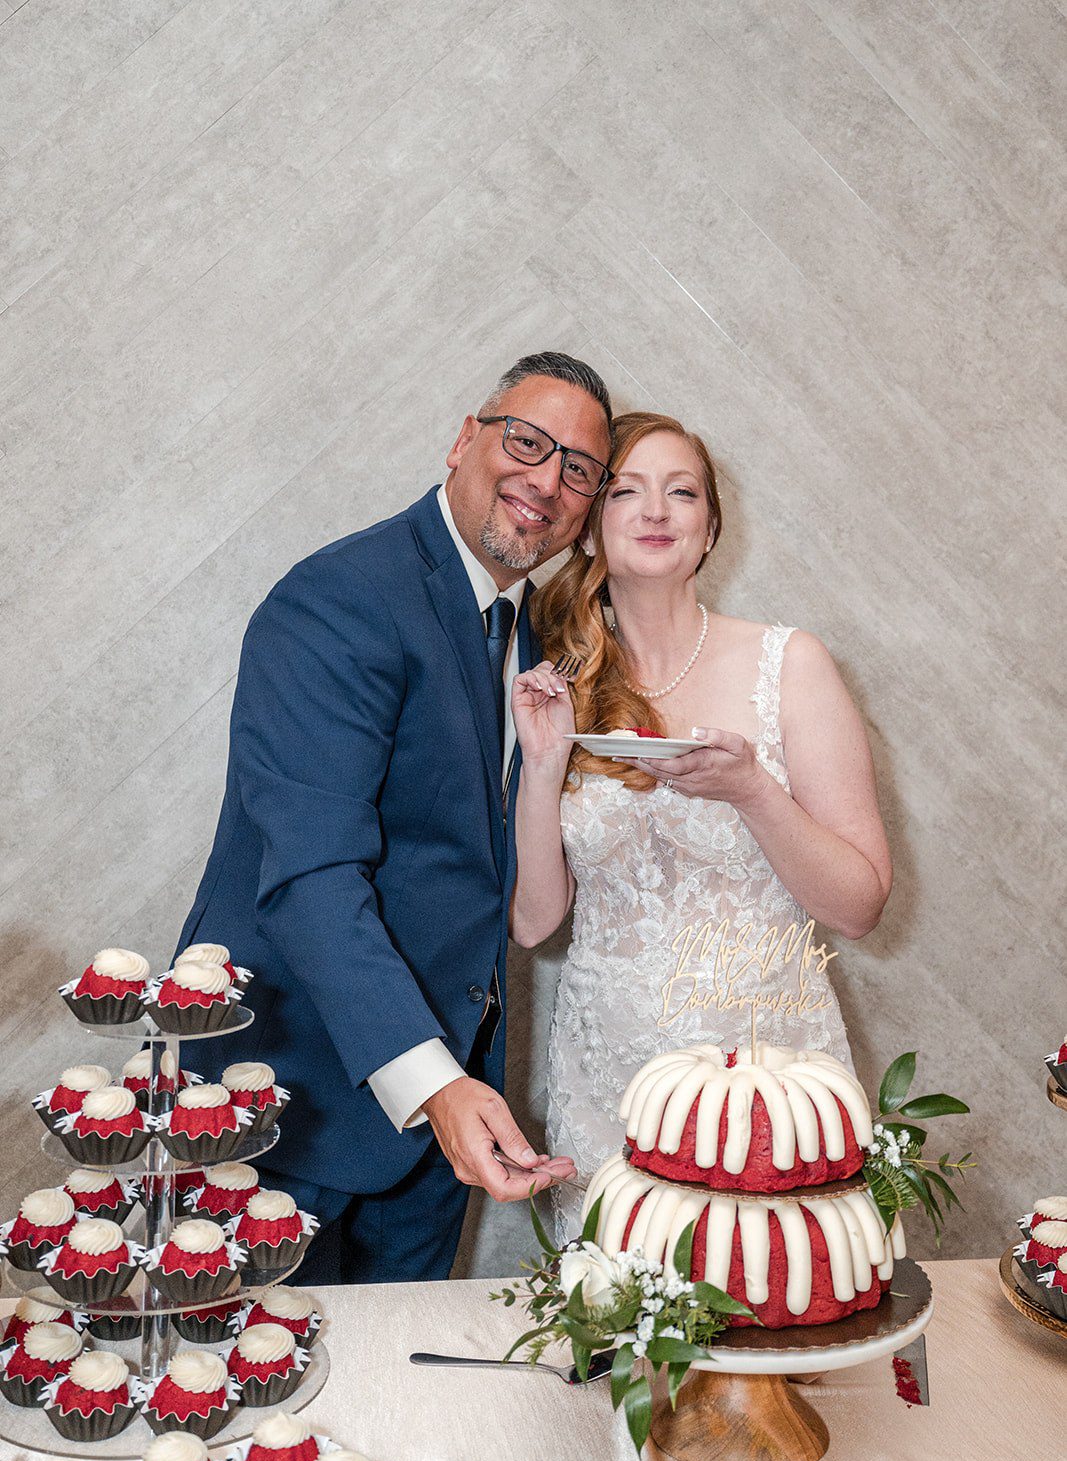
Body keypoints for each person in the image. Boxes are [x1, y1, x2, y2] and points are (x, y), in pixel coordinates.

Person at [175, 353, 614, 1282]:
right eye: (526, 442)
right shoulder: (340, 599)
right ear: (464, 440)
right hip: (287, 1113)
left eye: (578, 469)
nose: (546, 480)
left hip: (432, 1140)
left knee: (397, 1416)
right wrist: (434, 1084)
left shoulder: (529, 633)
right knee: (270, 1413)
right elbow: (310, 877)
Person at [509, 411, 893, 1243]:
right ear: (590, 525)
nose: (655, 512)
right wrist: (542, 766)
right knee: (630, 1344)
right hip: (607, 1072)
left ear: (710, 527)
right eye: (626, 492)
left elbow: (858, 906)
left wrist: (750, 790)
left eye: (680, 492)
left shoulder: (789, 665)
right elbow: (535, 921)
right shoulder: (558, 679)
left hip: (763, 1066)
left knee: (773, 1316)